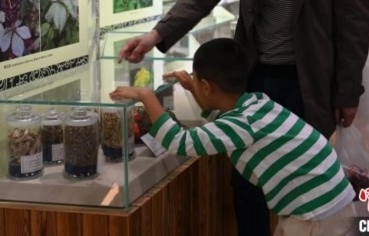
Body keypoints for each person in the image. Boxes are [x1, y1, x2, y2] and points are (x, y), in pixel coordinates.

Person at [118, 0, 369, 235]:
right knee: (246, 179)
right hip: (252, 78)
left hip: (307, 82)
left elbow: (355, 23)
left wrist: (348, 91)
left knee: (297, 175)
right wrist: (157, 34)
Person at [110, 38, 355, 236]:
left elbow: (180, 142)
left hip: (315, 210)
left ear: (207, 86)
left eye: (196, 81)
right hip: (327, 197)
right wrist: (194, 87)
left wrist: (146, 96)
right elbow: (222, 121)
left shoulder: (241, 124)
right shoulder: (257, 103)